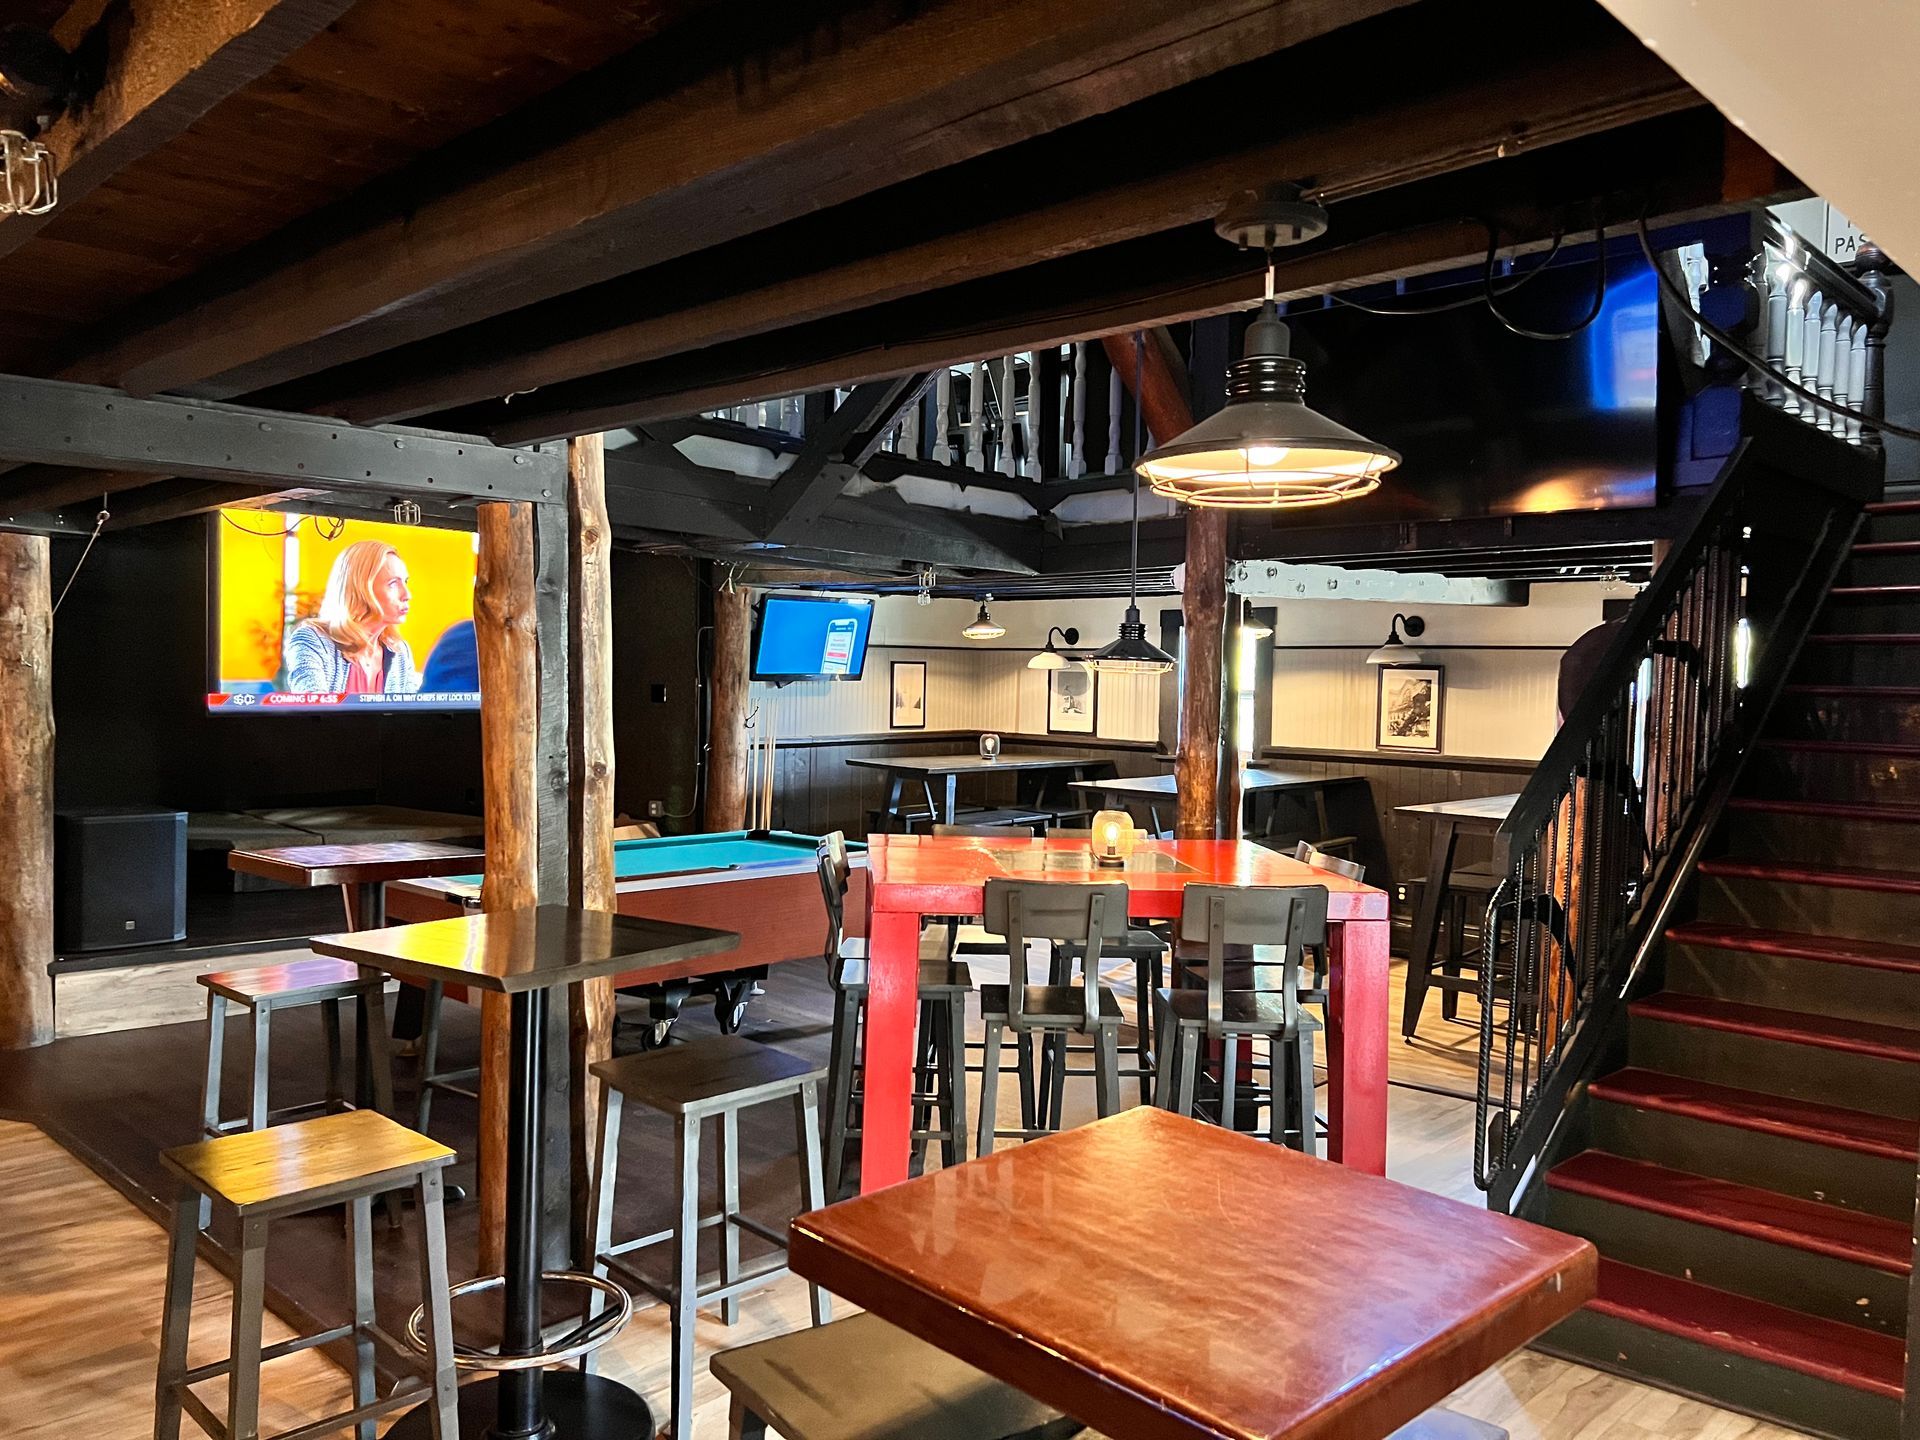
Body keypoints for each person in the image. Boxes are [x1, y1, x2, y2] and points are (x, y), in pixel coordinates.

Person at [282, 540, 421, 695]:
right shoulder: (313, 640)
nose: (407, 595)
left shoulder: (400, 651)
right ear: (361, 588)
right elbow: (313, 710)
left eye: (406, 582)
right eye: (393, 583)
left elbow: (411, 715)